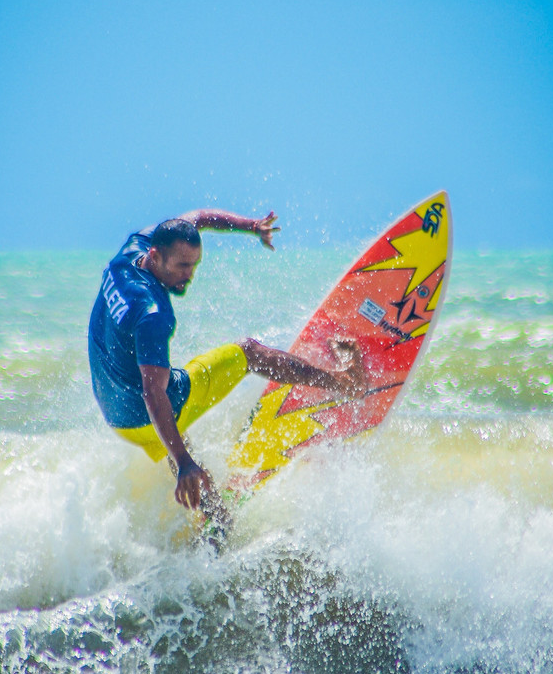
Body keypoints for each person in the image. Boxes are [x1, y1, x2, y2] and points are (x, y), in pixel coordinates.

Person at [87, 208, 366, 534]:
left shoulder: (130, 252)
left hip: (114, 410)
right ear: (155, 255)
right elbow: (153, 393)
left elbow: (200, 217)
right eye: (182, 266)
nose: (189, 275)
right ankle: (345, 382)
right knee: (247, 352)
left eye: (194, 264)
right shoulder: (153, 312)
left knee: (169, 419)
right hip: (142, 409)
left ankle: (218, 522)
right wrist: (184, 463)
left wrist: (252, 226)